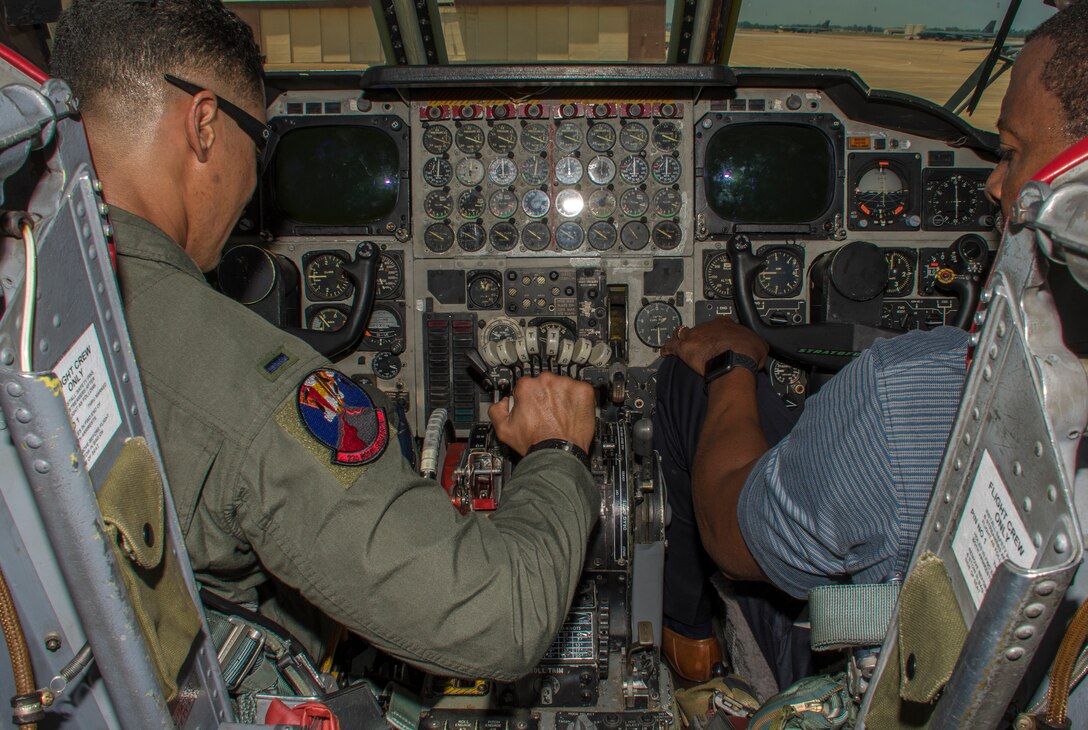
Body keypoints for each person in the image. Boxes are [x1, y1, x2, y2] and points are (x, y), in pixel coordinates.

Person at [49, 0, 600, 681]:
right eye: (260, 145)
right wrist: (557, 450)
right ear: (204, 125)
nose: (254, 194)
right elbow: (501, 615)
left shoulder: (35, 285)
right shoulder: (245, 390)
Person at [655, 1, 1088, 686]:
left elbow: (732, 540)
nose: (995, 183)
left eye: (1008, 151)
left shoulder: (908, 394)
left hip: (859, 662)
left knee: (691, 374)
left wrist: (735, 361)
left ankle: (687, 634)